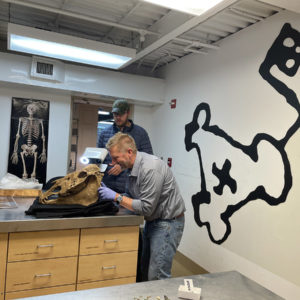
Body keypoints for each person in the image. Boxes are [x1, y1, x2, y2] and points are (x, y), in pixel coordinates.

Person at [98, 132, 185, 281]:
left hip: (168, 223)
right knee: (143, 271)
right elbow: (132, 195)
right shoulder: (132, 168)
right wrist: (113, 198)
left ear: (129, 152)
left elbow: (146, 207)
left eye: (115, 158)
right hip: (153, 221)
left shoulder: (150, 168)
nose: (112, 162)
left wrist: (116, 197)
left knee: (157, 276)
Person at [97, 99, 153, 194]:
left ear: (128, 113)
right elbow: (99, 159)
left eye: (121, 114)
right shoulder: (104, 133)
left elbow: (148, 159)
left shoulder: (140, 133)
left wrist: (123, 167)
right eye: (115, 114)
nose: (117, 117)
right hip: (107, 185)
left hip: (129, 187)